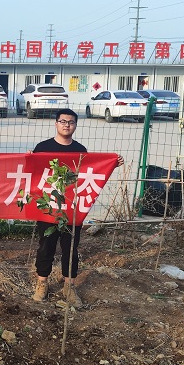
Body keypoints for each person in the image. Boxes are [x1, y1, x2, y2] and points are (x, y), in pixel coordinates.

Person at [31, 108, 124, 307]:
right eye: (63, 121)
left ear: (75, 125)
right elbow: (32, 173)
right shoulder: (42, 148)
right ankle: (42, 283)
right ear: (56, 123)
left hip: (73, 208)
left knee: (71, 247)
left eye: (71, 122)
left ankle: (69, 286)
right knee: (46, 245)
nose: (67, 125)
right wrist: (29, 158)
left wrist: (111, 165)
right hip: (49, 207)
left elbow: (91, 172)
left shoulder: (80, 150)